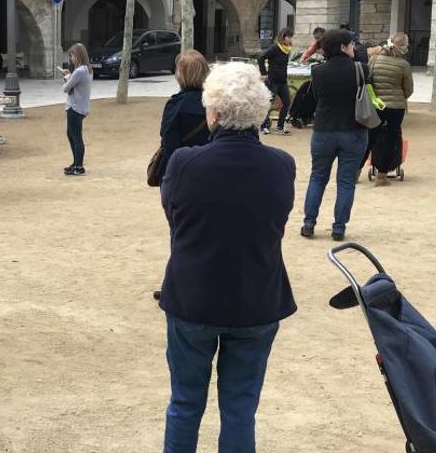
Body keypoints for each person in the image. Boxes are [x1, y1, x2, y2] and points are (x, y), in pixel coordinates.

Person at [159, 62, 296, 453]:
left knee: (185, 403)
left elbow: (174, 215)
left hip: (194, 296)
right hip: (256, 297)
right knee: (239, 409)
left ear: (214, 113)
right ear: (261, 111)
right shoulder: (281, 166)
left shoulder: (185, 163)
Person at [302, 29, 369, 241]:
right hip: (354, 129)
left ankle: (309, 222)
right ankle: (339, 227)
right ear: (342, 46)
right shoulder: (361, 70)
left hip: (324, 129)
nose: (354, 47)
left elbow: (315, 97)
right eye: (351, 44)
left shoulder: (317, 71)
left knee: (318, 176)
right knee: (346, 182)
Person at [364, 32, 414, 186]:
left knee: (370, 137)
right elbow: (409, 90)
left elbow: (368, 80)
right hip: (395, 107)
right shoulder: (403, 65)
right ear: (403, 47)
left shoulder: (374, 59)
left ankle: (355, 171)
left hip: (376, 105)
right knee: (391, 139)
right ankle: (382, 176)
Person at [154, 50, 210, 185]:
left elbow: (168, 142)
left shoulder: (176, 104)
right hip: (209, 168)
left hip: (182, 170)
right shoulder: (214, 102)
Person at [61, 43, 93, 176]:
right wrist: (70, 75)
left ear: (78, 55)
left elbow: (66, 88)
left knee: (76, 136)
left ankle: (79, 166)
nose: (71, 58)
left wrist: (67, 77)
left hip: (75, 107)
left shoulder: (79, 71)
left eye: (72, 55)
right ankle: (76, 163)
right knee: (71, 134)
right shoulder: (86, 70)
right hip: (80, 106)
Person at [258, 28, 294, 135]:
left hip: (282, 81)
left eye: (291, 37)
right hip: (272, 80)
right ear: (283, 37)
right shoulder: (274, 48)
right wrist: (264, 73)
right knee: (269, 103)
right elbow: (261, 57)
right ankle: (263, 126)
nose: (290, 39)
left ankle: (280, 127)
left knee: (287, 102)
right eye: (289, 37)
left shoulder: (287, 49)